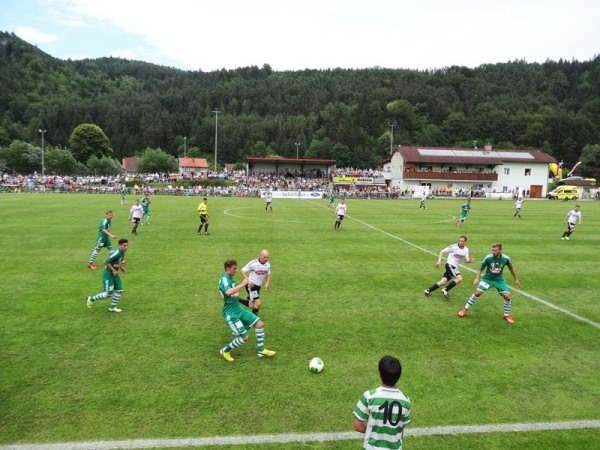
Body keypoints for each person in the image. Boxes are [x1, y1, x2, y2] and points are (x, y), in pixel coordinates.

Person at [218, 259, 276, 362]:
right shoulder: (224, 280)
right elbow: (228, 292)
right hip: (231, 314)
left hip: (239, 310)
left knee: (260, 324)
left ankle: (261, 350)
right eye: (234, 269)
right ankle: (225, 351)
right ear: (227, 268)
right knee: (244, 338)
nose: (236, 271)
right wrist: (242, 284)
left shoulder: (229, 279)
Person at [353, 355, 411, 450]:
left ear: (380, 374)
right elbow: (401, 430)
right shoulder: (405, 400)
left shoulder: (369, 396)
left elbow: (358, 426)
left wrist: (372, 432)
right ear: (398, 376)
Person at [458, 242, 520, 324]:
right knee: (477, 293)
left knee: (507, 297)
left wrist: (516, 279)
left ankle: (506, 315)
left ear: (500, 250)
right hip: (487, 279)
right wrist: (477, 278)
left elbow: (511, 268)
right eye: (493, 250)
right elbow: (480, 269)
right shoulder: (488, 258)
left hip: (499, 280)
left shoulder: (506, 258)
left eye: (496, 250)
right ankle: (464, 309)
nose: (494, 252)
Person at [424, 235, 475, 300]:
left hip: (454, 267)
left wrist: (470, 260)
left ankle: (427, 291)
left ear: (465, 242)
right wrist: (439, 261)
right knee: (459, 278)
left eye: (462, 241)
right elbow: (442, 251)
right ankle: (445, 290)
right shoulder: (454, 247)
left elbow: (466, 260)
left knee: (443, 281)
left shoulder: (466, 250)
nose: (460, 242)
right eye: (459, 241)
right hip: (450, 265)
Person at [86, 238, 129, 313]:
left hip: (114, 274)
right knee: (108, 294)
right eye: (124, 245)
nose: (126, 247)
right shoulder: (117, 253)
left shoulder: (122, 252)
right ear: (120, 245)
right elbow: (106, 262)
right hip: (108, 275)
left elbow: (118, 262)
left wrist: (122, 268)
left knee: (119, 291)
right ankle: (90, 299)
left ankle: (112, 308)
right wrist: (113, 270)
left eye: (127, 245)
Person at [240, 250, 271, 315]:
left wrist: (267, 282)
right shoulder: (253, 263)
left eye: (267, 257)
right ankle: (255, 319)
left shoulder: (267, 264)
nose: (266, 259)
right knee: (258, 303)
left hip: (258, 286)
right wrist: (248, 280)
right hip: (251, 286)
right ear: (260, 256)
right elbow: (242, 271)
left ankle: (236, 299)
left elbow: (268, 274)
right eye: (265, 257)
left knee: (251, 305)